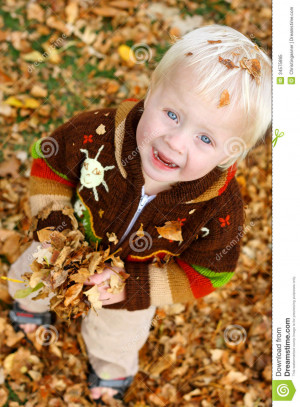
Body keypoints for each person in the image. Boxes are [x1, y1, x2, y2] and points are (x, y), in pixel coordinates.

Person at [7, 24, 271, 403]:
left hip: (128, 286)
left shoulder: (218, 209)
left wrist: (136, 287)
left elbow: (210, 271)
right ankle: (30, 309)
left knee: (119, 335)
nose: (175, 142)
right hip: (61, 249)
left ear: (228, 155)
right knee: (32, 275)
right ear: (150, 93)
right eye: (172, 114)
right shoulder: (96, 133)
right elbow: (50, 161)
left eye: (206, 138)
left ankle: (110, 369)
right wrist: (55, 229)